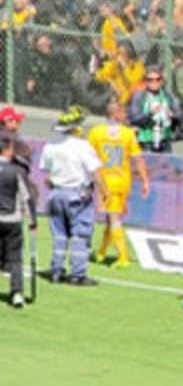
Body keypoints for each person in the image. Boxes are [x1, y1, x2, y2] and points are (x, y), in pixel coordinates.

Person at [42, 106, 103, 286]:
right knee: (80, 235)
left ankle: (57, 271)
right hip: (78, 194)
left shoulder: (50, 145)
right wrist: (105, 192)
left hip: (56, 193)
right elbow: (95, 171)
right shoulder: (82, 146)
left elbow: (47, 173)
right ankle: (78, 274)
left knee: (59, 234)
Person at [86, 101, 149, 269]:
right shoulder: (128, 134)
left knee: (113, 217)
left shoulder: (96, 132)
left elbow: (87, 156)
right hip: (123, 181)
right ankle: (101, 252)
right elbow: (138, 159)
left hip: (106, 182)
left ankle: (123, 257)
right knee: (110, 216)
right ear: (115, 115)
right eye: (123, 113)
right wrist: (145, 180)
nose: (125, 116)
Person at [0, 136, 36, 308]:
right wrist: (33, 221)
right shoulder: (16, 170)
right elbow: (27, 197)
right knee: (14, 258)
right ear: (7, 151)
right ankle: (17, 293)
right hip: (12, 220)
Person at [128, 67, 183, 153]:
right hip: (146, 142)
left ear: (161, 81)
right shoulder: (139, 96)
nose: (154, 82)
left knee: (167, 161)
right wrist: (150, 113)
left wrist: (172, 115)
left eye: (158, 79)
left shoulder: (167, 96)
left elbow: (180, 114)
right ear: (146, 81)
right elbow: (134, 118)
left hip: (165, 141)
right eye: (150, 80)